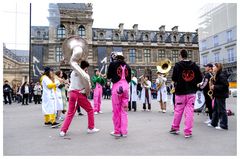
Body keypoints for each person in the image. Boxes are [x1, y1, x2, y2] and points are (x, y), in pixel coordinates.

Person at [60, 60, 100, 137]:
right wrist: (87, 94)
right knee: (90, 110)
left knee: (70, 113)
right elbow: (88, 88)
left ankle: (63, 130)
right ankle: (91, 128)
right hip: (79, 94)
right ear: (85, 67)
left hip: (72, 93)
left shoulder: (72, 72)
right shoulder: (85, 75)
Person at [169, 49, 202, 138]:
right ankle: (188, 132)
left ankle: (175, 128)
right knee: (190, 112)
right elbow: (200, 78)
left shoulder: (177, 65)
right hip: (191, 92)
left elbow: (174, 78)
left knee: (178, 111)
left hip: (180, 92)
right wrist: (193, 82)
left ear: (180, 56)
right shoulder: (194, 65)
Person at [107, 51, 131, 137]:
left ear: (116, 57)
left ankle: (117, 131)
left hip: (117, 87)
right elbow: (129, 79)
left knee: (116, 111)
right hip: (126, 88)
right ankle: (124, 131)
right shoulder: (128, 66)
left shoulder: (113, 64)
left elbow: (108, 76)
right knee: (124, 110)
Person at [208, 63, 229, 130]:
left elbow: (225, 85)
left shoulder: (221, 75)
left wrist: (215, 86)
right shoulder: (217, 75)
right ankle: (214, 123)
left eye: (214, 66)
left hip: (221, 95)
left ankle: (224, 125)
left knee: (222, 110)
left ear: (218, 67)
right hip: (217, 95)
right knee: (215, 110)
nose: (213, 67)